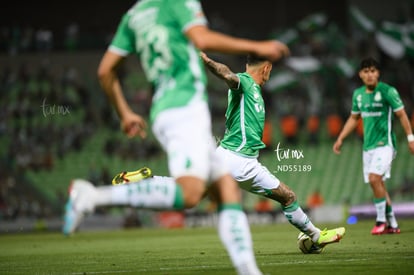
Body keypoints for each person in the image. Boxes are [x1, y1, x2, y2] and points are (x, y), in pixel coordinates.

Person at [63, 0, 289, 274]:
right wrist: (257, 47)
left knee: (226, 189)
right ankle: (92, 197)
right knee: (191, 194)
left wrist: (124, 113)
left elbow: (104, 71)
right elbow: (202, 37)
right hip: (185, 107)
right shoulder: (178, 2)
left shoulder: (133, 15)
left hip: (165, 107)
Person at [199, 52, 345, 250]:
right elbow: (228, 75)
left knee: (192, 193)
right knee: (288, 197)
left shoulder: (255, 90)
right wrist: (207, 61)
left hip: (240, 160)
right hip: (236, 159)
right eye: (271, 69)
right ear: (266, 68)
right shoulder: (245, 82)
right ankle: (316, 236)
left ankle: (149, 182)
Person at [333, 57, 414, 235]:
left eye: (373, 71)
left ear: (378, 73)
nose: (370, 74)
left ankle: (381, 221)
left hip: (385, 144)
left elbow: (401, 115)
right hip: (368, 147)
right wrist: (341, 138)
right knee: (379, 184)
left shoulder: (387, 91)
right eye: (366, 71)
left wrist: (410, 137)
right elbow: (354, 118)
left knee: (374, 179)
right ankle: (393, 223)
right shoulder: (358, 94)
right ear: (360, 74)